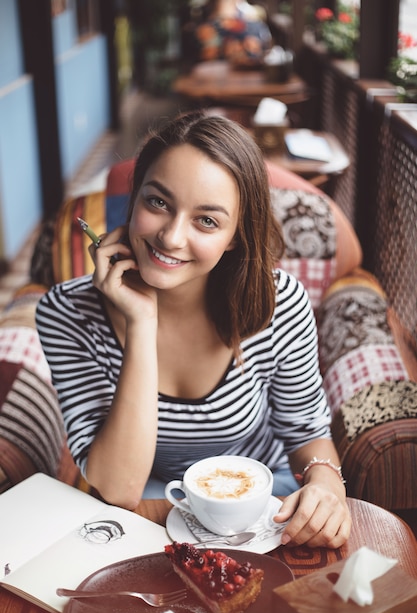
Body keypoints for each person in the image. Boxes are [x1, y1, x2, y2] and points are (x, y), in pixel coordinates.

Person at [36, 111, 351, 548]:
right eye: (158, 203)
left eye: (206, 221)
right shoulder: (66, 313)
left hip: (265, 497)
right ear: (135, 198)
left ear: (236, 236)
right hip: (152, 500)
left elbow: (306, 434)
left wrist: (326, 485)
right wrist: (142, 321)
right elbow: (118, 487)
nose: (170, 237)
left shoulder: (281, 303)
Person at [193, 0, 272, 65]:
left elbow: (262, 51)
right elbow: (207, 56)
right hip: (217, 73)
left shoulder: (254, 24)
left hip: (249, 72)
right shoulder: (209, 28)